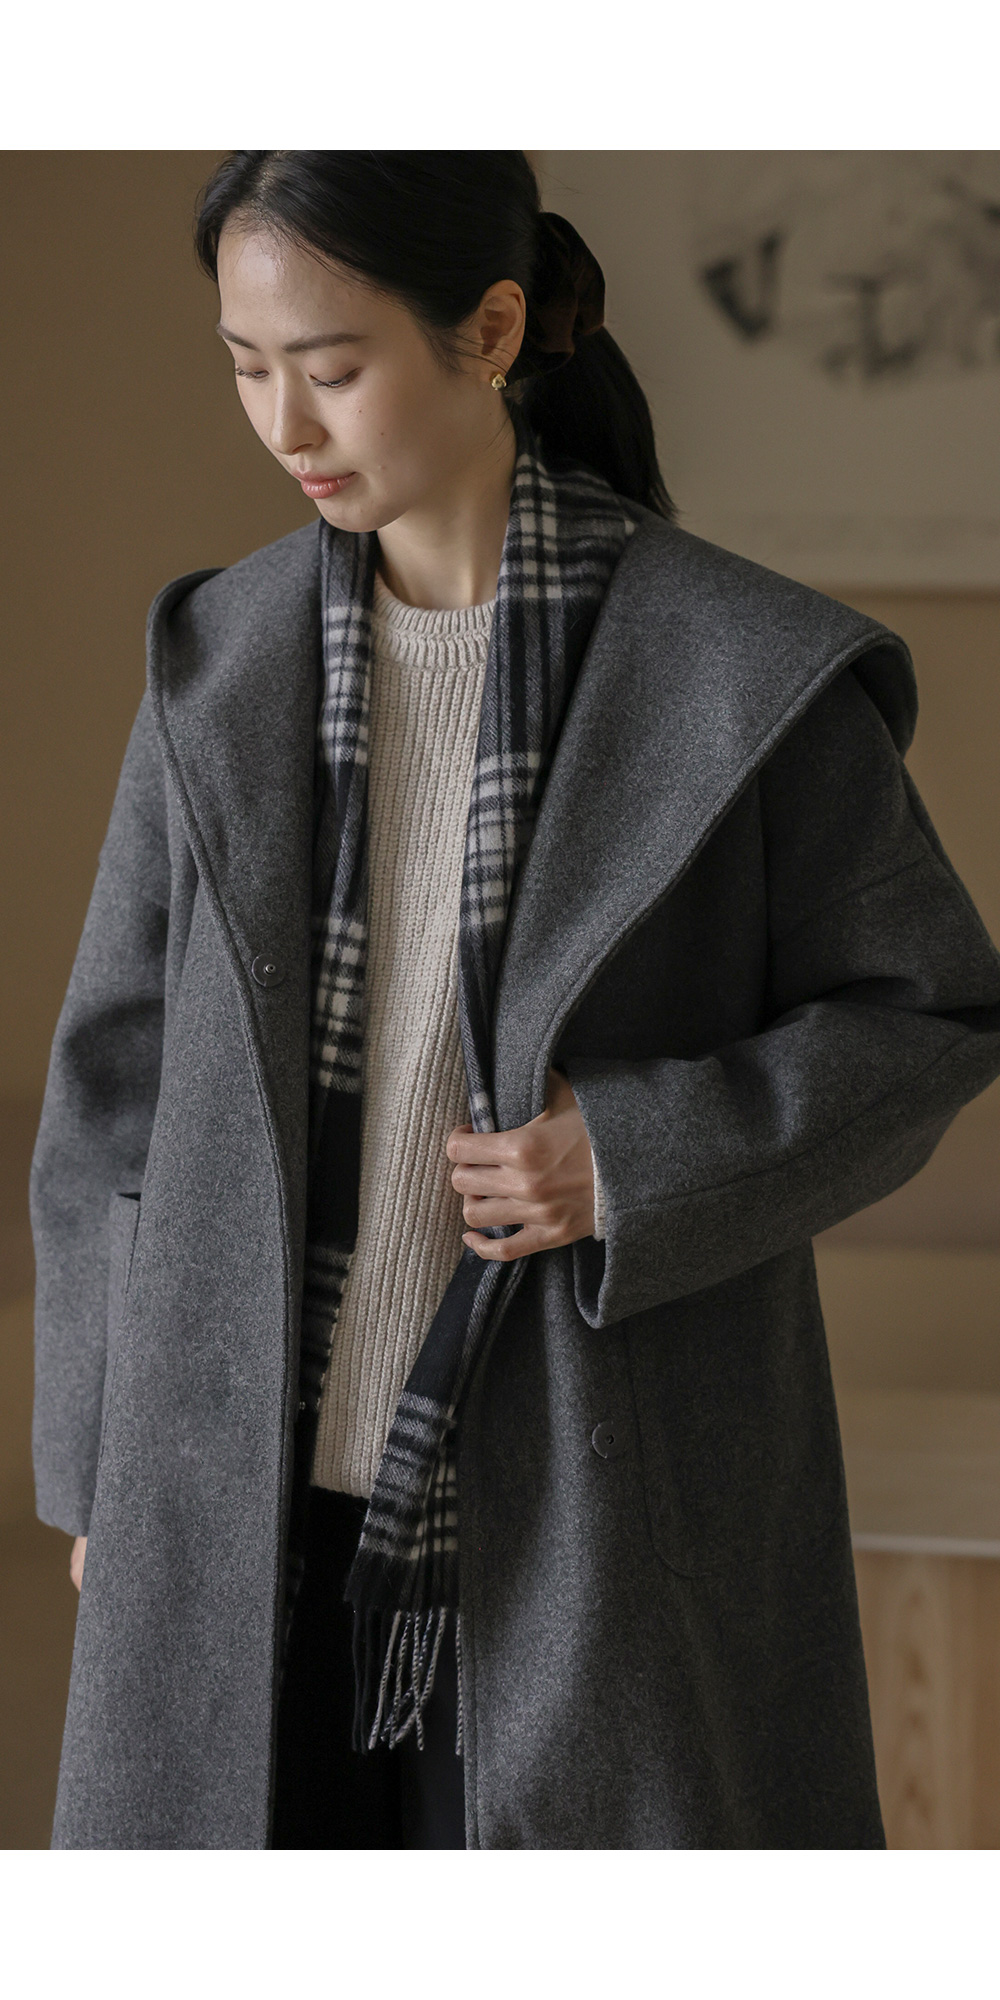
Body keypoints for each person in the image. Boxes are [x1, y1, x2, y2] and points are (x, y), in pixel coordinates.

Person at [30, 151, 1000, 1851]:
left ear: (490, 332)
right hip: (235, 1508)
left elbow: (925, 1018)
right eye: (245, 368)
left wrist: (629, 1154)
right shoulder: (218, 663)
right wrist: (105, 1458)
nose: (284, 424)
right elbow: (114, 1087)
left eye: (332, 368)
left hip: (597, 1523)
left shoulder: (742, 670)